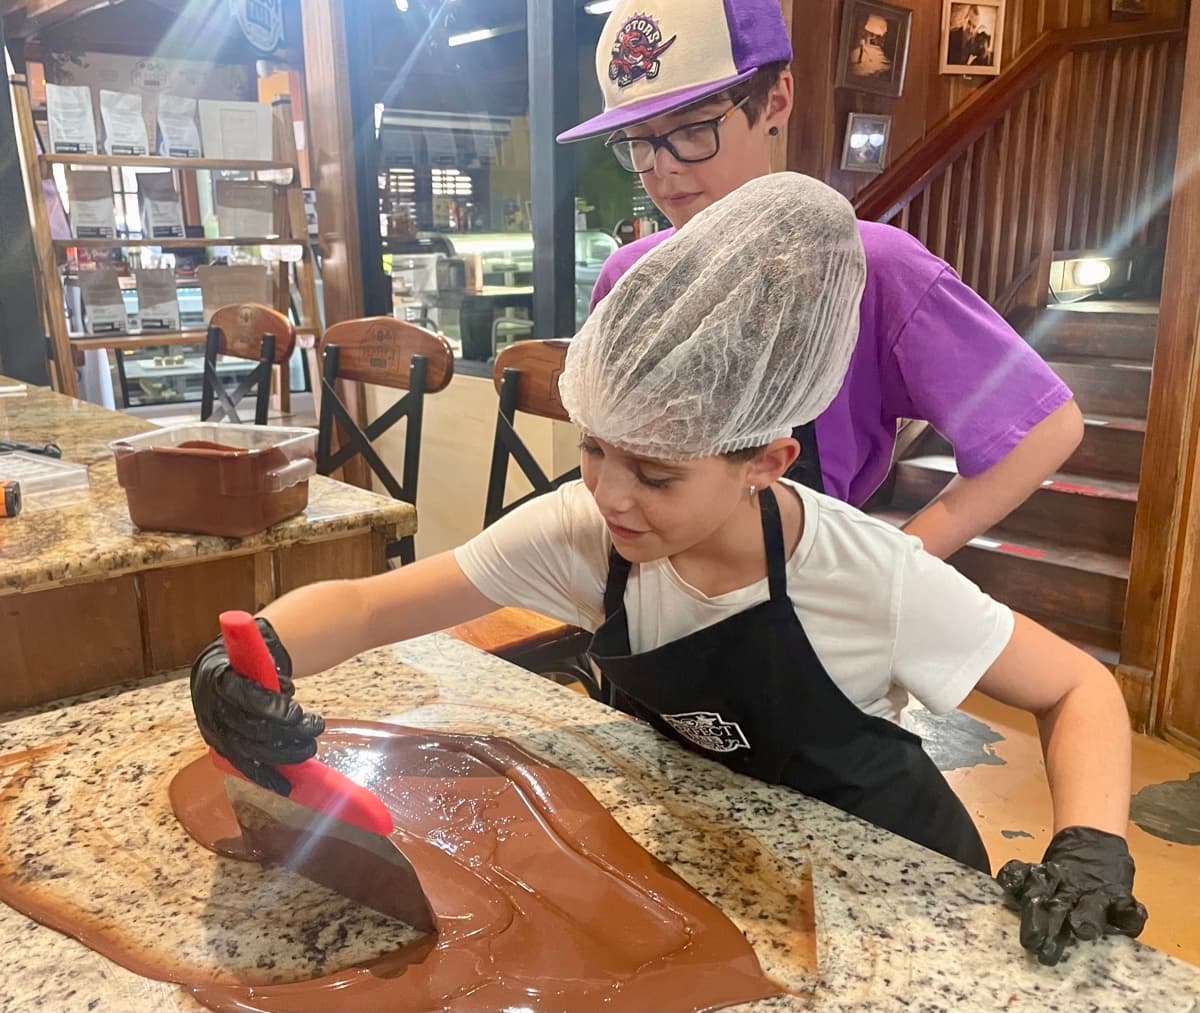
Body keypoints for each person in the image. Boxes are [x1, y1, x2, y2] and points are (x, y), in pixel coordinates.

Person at [191, 175, 1146, 967]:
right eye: (596, 448)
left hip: (895, 890)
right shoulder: (587, 532)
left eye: (656, 472)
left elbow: (1076, 687)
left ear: (764, 460)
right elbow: (367, 605)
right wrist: (258, 653)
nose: (612, 493)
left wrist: (1092, 847)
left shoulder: (864, 570)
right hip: (735, 868)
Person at [557, 0, 1084, 561]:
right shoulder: (627, 275)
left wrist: (894, 565)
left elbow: (1042, 428)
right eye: (638, 141)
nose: (662, 167)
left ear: (776, 100)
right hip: (652, 580)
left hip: (804, 589)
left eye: (691, 130)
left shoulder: (875, 267)